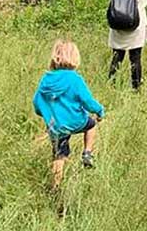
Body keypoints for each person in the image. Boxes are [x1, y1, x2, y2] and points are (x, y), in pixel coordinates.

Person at [33, 40, 105, 189]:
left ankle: (56, 186)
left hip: (56, 125)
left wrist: (46, 115)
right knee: (91, 125)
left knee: (59, 155)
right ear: (75, 58)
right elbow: (87, 100)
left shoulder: (46, 79)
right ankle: (87, 153)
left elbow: (36, 102)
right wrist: (99, 110)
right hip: (76, 121)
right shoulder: (75, 79)